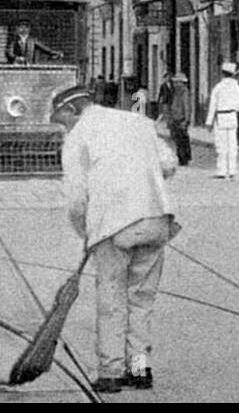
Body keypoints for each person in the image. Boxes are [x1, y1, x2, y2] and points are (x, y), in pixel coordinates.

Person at [51, 84, 181, 393]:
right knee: (140, 298)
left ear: (72, 111)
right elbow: (168, 164)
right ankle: (139, 370)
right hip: (155, 219)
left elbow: (76, 199)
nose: (62, 127)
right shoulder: (137, 121)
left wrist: (86, 231)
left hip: (113, 226)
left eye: (61, 120)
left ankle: (110, 373)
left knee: (111, 300)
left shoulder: (77, 137)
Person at [206, 62, 239, 181]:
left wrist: (209, 121)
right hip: (232, 116)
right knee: (232, 145)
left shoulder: (218, 87)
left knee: (221, 145)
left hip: (221, 117)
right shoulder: (237, 87)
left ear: (222, 73)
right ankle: (232, 170)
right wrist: (235, 109)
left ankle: (222, 170)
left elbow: (213, 104)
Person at [166, 73, 192, 167]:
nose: (176, 84)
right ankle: (181, 157)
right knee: (177, 139)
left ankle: (184, 159)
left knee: (182, 140)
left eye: (178, 82)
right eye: (175, 82)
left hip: (181, 119)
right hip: (175, 119)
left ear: (182, 83)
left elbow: (187, 107)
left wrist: (186, 120)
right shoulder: (175, 92)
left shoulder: (184, 92)